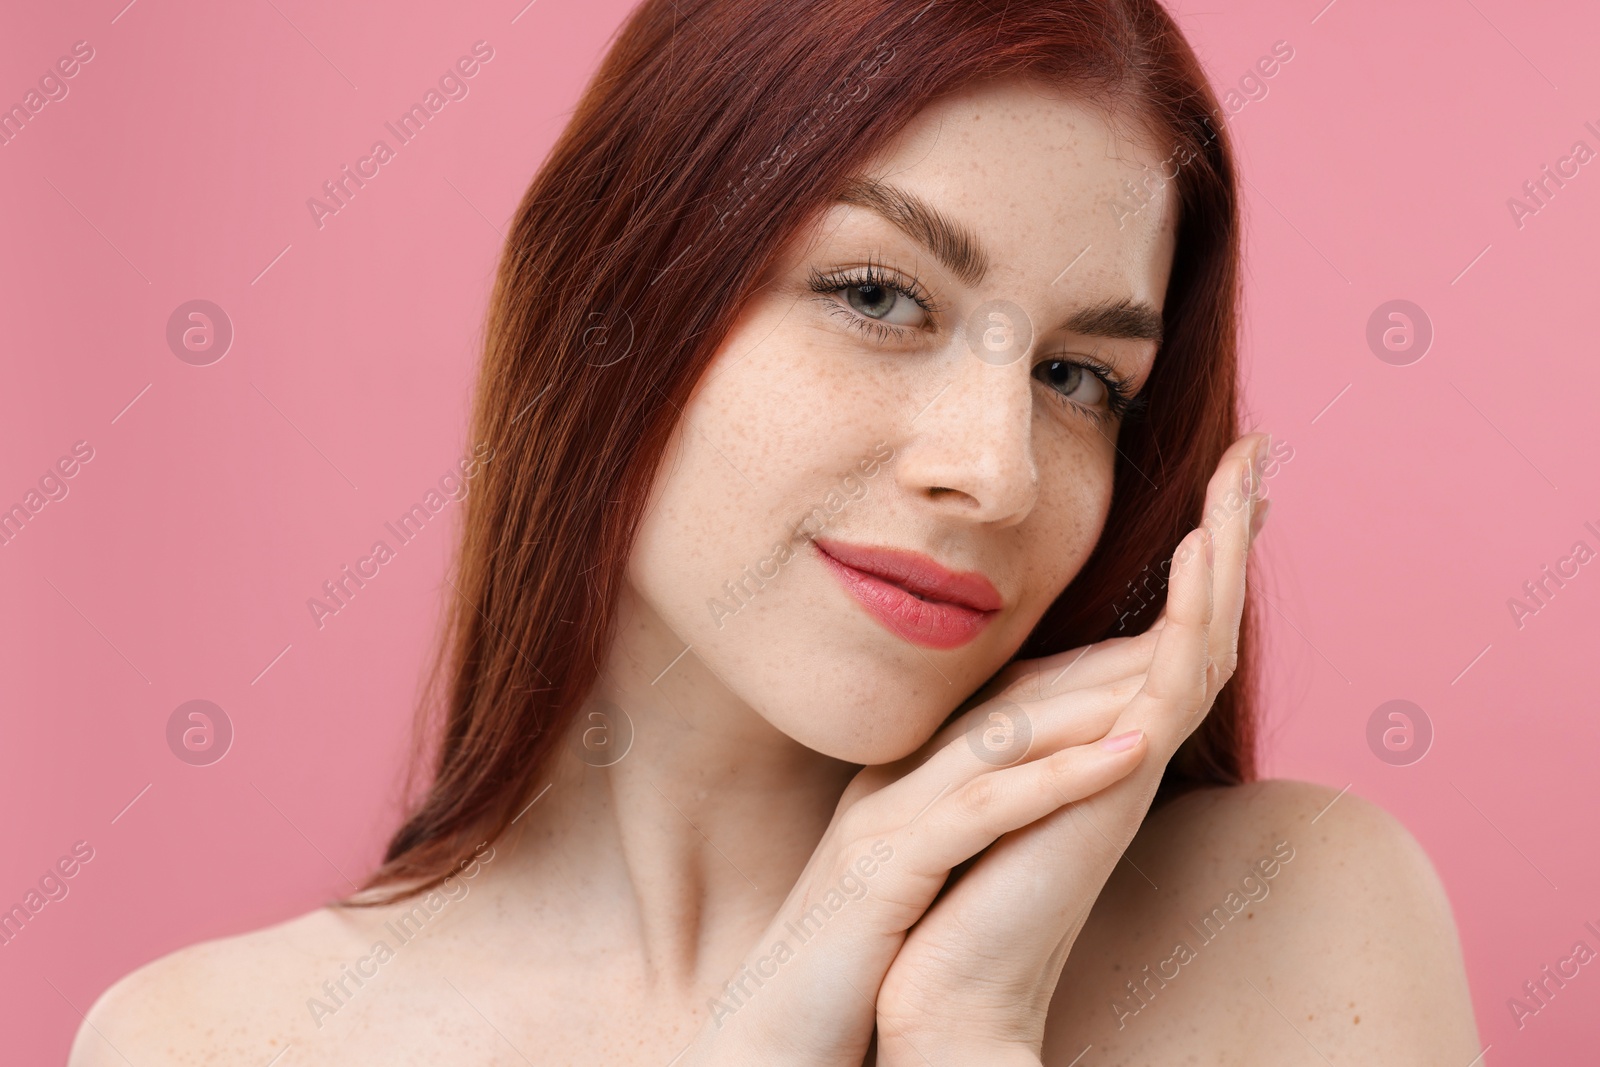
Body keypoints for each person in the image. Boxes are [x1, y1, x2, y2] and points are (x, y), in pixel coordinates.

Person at [71, 0, 1483, 1063]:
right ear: (608, 302)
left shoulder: (1293, 927)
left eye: (1078, 378)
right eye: (877, 295)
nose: (993, 472)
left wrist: (971, 1029)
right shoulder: (212, 1042)